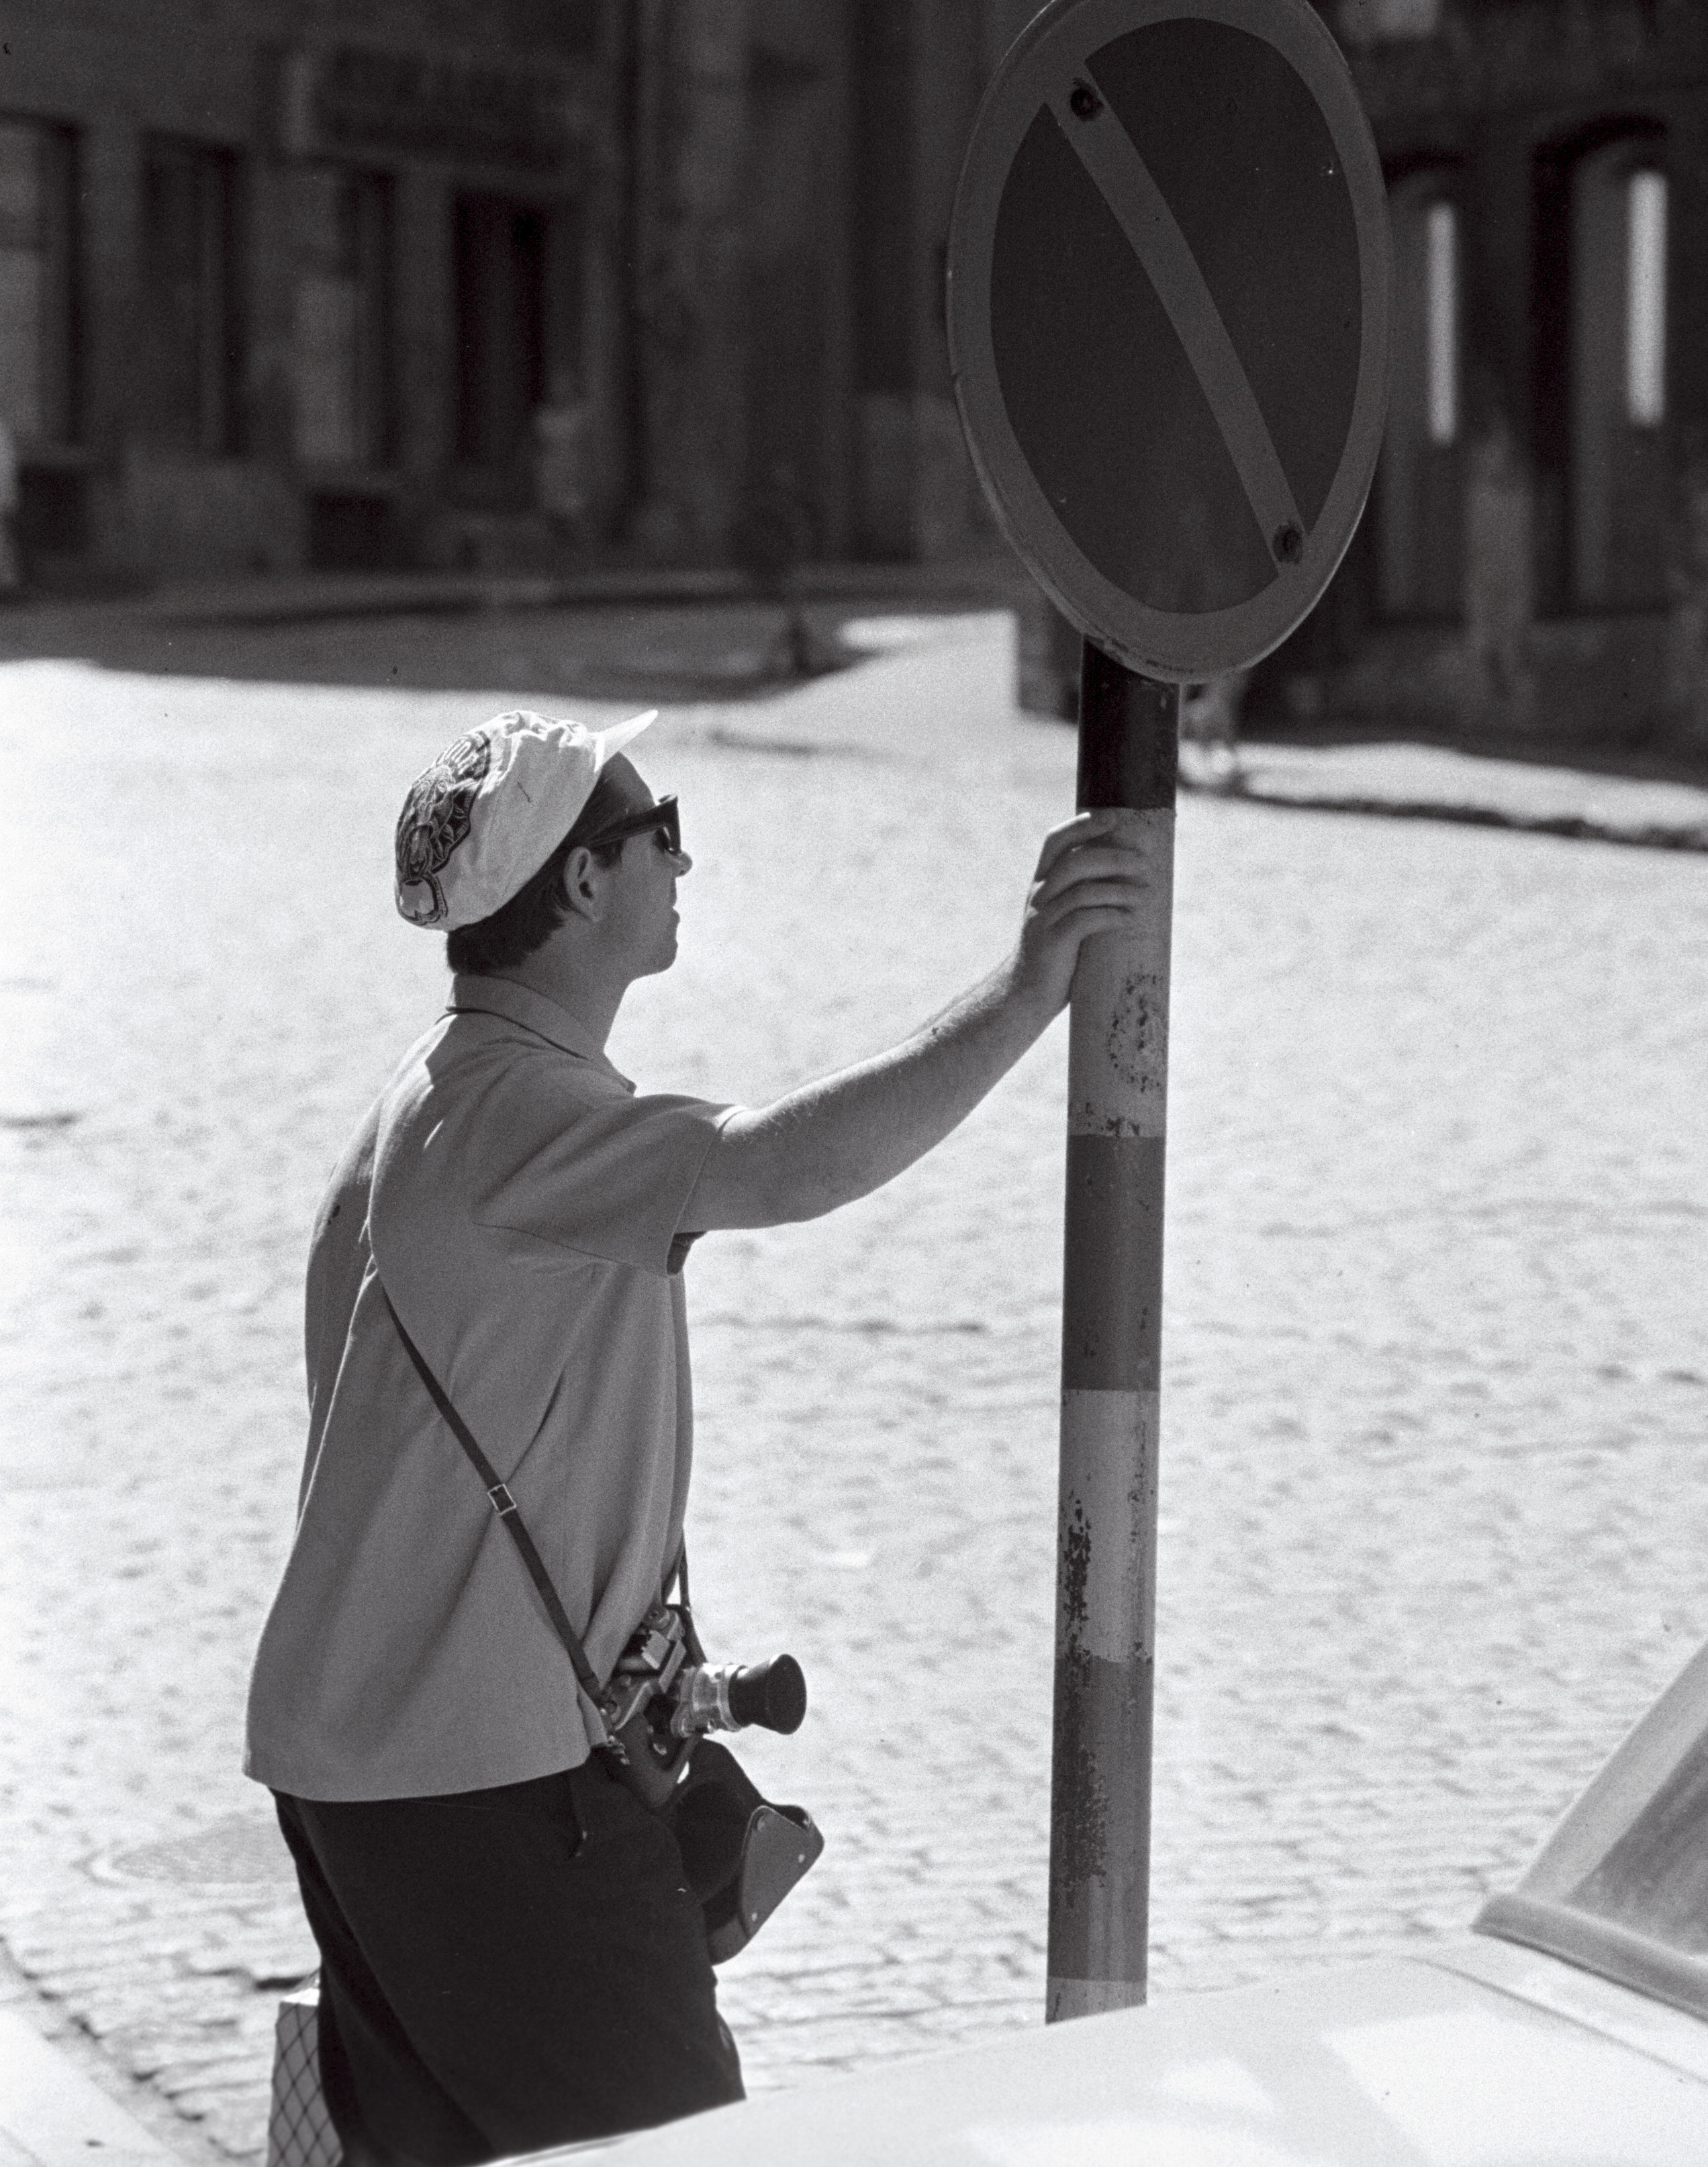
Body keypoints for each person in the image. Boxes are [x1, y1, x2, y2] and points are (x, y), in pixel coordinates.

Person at [245, 705, 1153, 2164]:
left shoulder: (418, 1104)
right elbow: (778, 1163)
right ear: (586, 884)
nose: (689, 855)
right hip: (490, 1794)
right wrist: (1030, 982)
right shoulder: (521, 1116)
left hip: (365, 1773)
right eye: (660, 829)